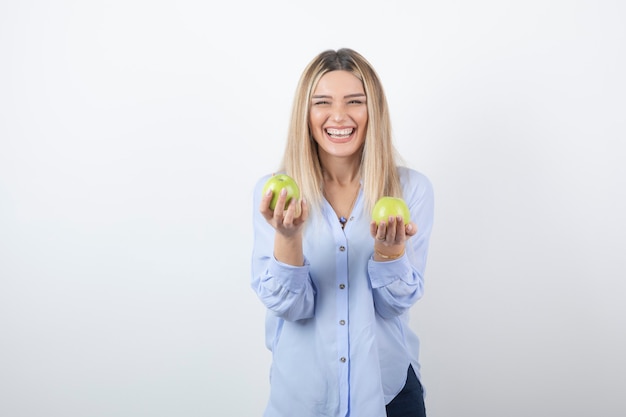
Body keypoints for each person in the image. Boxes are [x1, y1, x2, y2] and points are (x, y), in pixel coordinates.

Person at [251, 48, 434, 417]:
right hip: (303, 399)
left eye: (355, 101)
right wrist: (288, 237)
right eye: (322, 102)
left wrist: (389, 252)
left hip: (387, 393)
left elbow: (394, 305)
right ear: (306, 113)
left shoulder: (410, 189)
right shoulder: (275, 194)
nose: (339, 116)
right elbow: (289, 307)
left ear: (374, 111)